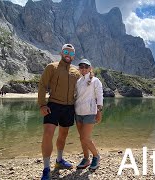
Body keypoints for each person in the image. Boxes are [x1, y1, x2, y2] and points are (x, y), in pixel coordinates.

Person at [38, 44, 80, 180]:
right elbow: (42, 85)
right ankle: (45, 168)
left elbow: (82, 89)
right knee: (48, 134)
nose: (68, 55)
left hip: (69, 107)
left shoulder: (76, 72)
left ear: (74, 56)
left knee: (63, 135)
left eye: (71, 53)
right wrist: (42, 104)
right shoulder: (52, 67)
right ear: (61, 53)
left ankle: (59, 160)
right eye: (66, 52)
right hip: (53, 105)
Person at [74, 59, 103, 170]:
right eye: (81, 66)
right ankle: (86, 158)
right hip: (78, 113)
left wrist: (99, 111)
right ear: (79, 68)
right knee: (82, 138)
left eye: (86, 67)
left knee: (85, 138)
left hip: (90, 112)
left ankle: (96, 156)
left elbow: (99, 96)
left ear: (90, 68)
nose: (84, 69)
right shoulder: (78, 81)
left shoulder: (96, 81)